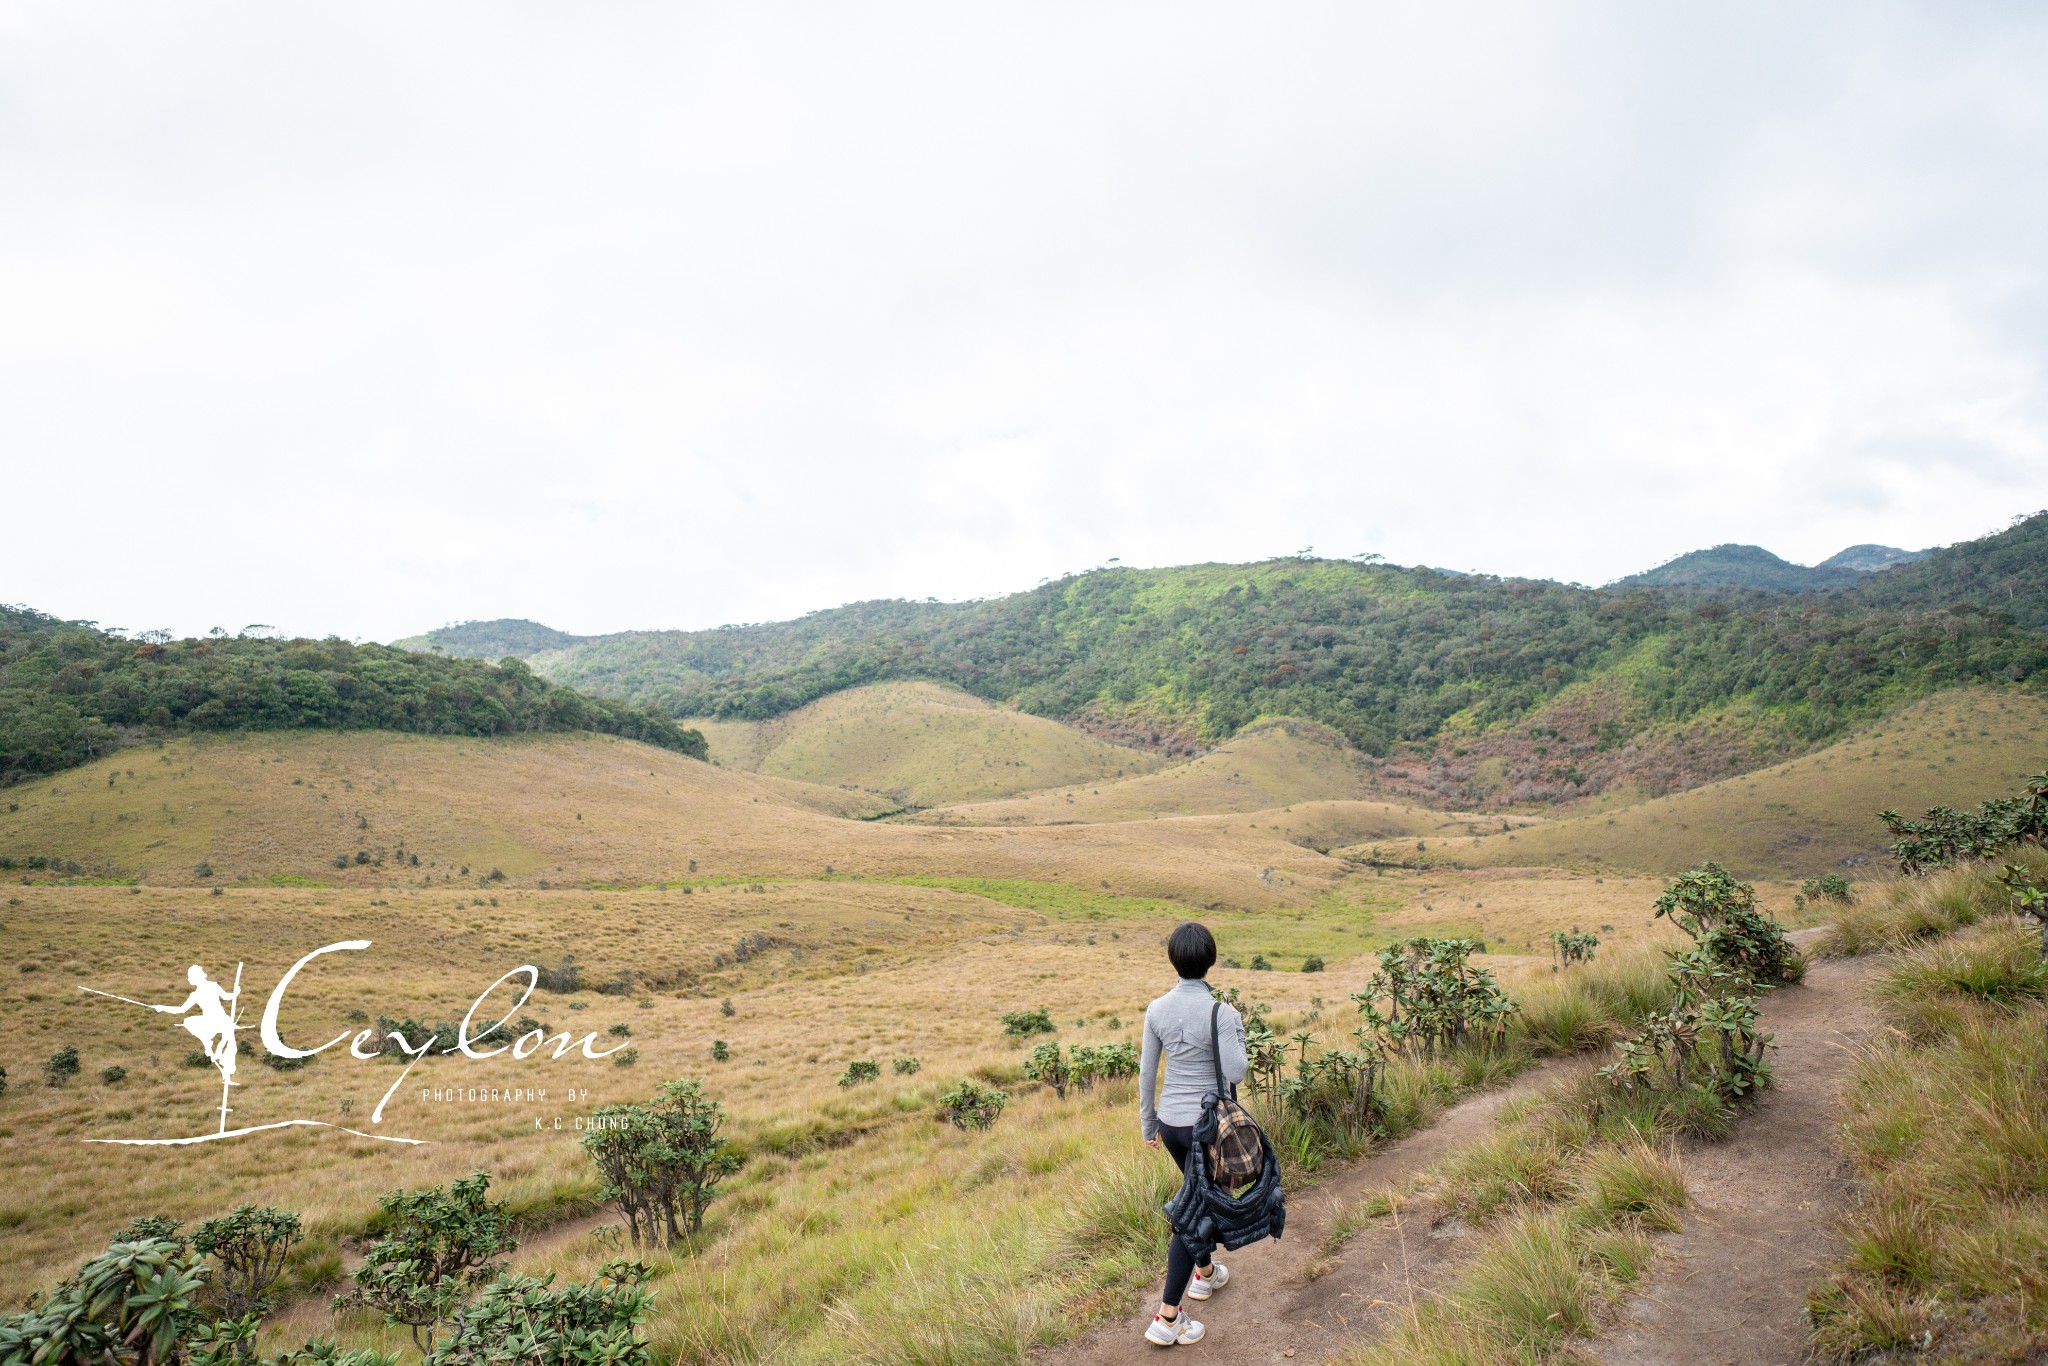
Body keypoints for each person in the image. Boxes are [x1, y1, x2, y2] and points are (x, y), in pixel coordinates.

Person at [1138, 921, 1247, 1347]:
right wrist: (1237, 1032)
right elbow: (1236, 1071)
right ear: (1210, 960)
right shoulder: (1223, 1012)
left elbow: (1148, 1074)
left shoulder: (1156, 1009)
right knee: (1193, 1210)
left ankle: (1204, 1275)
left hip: (1170, 1124)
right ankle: (1168, 1318)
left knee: (1195, 1195)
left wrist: (1149, 1125)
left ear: (1173, 960)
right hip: (1209, 1129)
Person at [155, 964, 240, 1082]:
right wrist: (162, 1007)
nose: (189, 979)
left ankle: (219, 1058)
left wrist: (235, 993)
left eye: (190, 977)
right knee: (192, 1023)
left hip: (219, 1019)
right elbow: (181, 1010)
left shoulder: (211, 987)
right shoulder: (196, 994)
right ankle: (212, 1048)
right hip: (213, 1020)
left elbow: (226, 997)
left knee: (230, 1045)